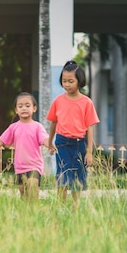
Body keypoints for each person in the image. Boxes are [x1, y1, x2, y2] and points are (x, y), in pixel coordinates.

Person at [46, 60, 100, 205]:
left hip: (79, 144)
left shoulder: (87, 102)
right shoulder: (58, 101)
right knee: (62, 175)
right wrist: (50, 142)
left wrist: (89, 152)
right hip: (62, 142)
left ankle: (75, 208)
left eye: (71, 81)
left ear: (79, 81)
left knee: (77, 177)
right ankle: (61, 206)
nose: (67, 84)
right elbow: (53, 123)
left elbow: (90, 128)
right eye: (64, 81)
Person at [0, 92, 52, 201]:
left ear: (34, 108)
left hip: (34, 166)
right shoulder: (13, 127)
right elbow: (1, 140)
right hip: (20, 167)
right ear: (16, 110)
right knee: (24, 195)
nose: (24, 108)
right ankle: (25, 215)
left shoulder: (37, 126)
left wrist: (50, 145)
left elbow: (44, 139)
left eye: (27, 106)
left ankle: (34, 212)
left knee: (32, 189)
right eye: (20, 106)